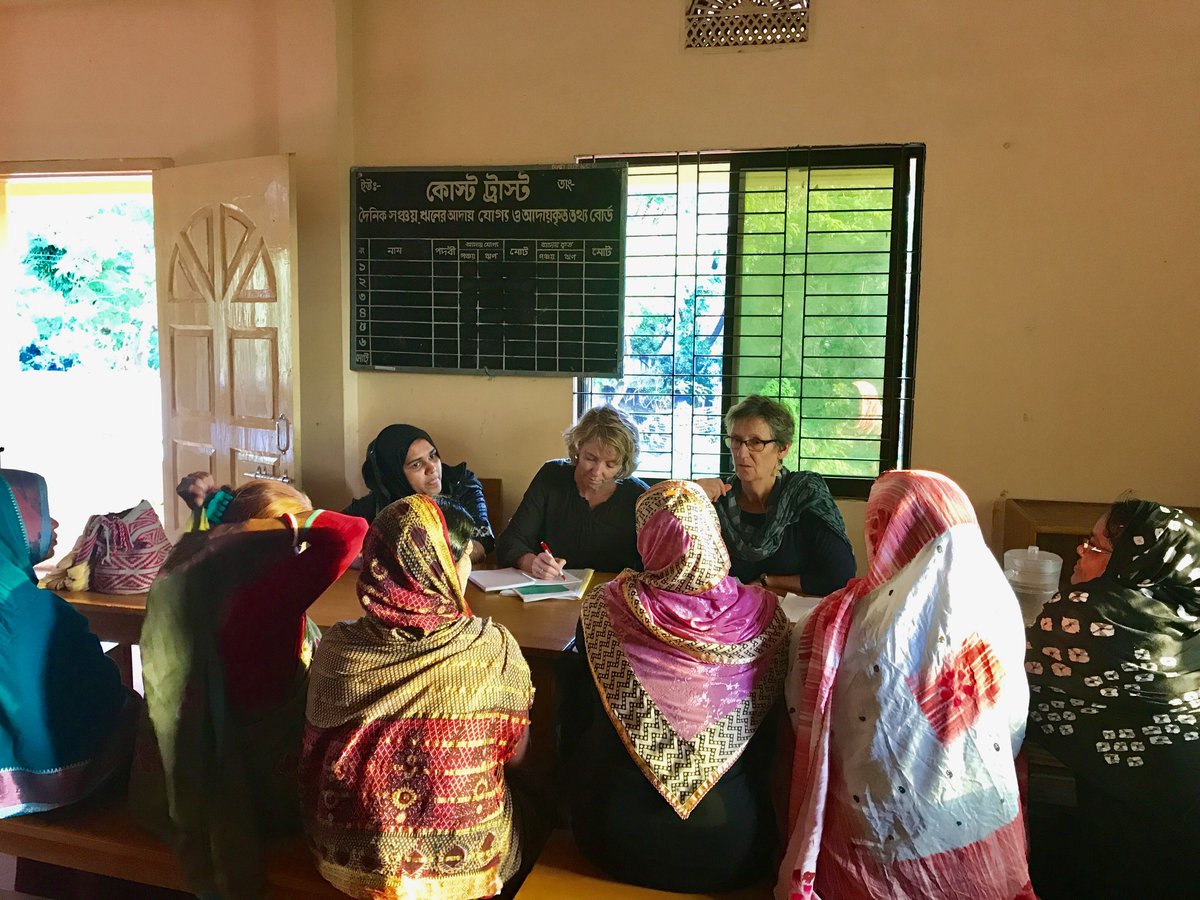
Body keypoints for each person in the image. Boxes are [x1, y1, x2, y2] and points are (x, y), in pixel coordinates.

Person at [779, 470, 1034, 900]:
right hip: (984, 818)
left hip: (879, 839)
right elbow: (1011, 725)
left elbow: (802, 713)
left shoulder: (838, 625)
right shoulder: (1000, 608)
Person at [129, 474, 366, 899]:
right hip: (260, 792)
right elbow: (352, 530)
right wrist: (270, 528)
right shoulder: (270, 597)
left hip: (178, 782)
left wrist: (221, 523)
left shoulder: (184, 573)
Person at [557, 480, 790, 892]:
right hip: (732, 846)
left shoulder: (603, 609)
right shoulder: (766, 618)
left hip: (614, 837)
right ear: (713, 536)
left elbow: (576, 722)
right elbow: (770, 744)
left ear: (647, 542)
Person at [300, 495, 537, 899]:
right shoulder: (490, 648)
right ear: (443, 567)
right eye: (463, 557)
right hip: (466, 870)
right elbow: (517, 757)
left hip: (341, 858)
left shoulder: (337, 648)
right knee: (539, 802)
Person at [1024, 500, 1200, 899]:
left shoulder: (1090, 613)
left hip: (1135, 815)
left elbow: (1018, 693)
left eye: (1096, 547)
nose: (1080, 552)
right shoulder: (1187, 609)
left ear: (1133, 563)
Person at [0, 468, 138, 818]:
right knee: (136, 712)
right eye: (39, 514)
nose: (54, 524)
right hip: (43, 790)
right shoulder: (34, 612)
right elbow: (94, 695)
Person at [697, 395, 855, 596]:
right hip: (730, 618)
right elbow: (678, 570)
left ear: (783, 449)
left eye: (755, 442)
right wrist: (690, 495)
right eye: (736, 441)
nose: (742, 453)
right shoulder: (715, 500)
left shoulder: (804, 495)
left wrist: (766, 582)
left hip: (797, 619)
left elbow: (841, 576)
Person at [496, 406, 647, 576]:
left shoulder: (639, 497)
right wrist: (532, 563)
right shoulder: (551, 476)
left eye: (610, 465)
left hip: (616, 596)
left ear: (624, 464)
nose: (597, 472)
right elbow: (509, 542)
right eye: (590, 458)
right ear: (577, 449)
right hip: (552, 593)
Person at [345, 423, 492, 561]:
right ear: (394, 476)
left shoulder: (462, 484)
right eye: (416, 464)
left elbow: (480, 545)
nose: (432, 468)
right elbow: (331, 532)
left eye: (432, 456)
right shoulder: (384, 497)